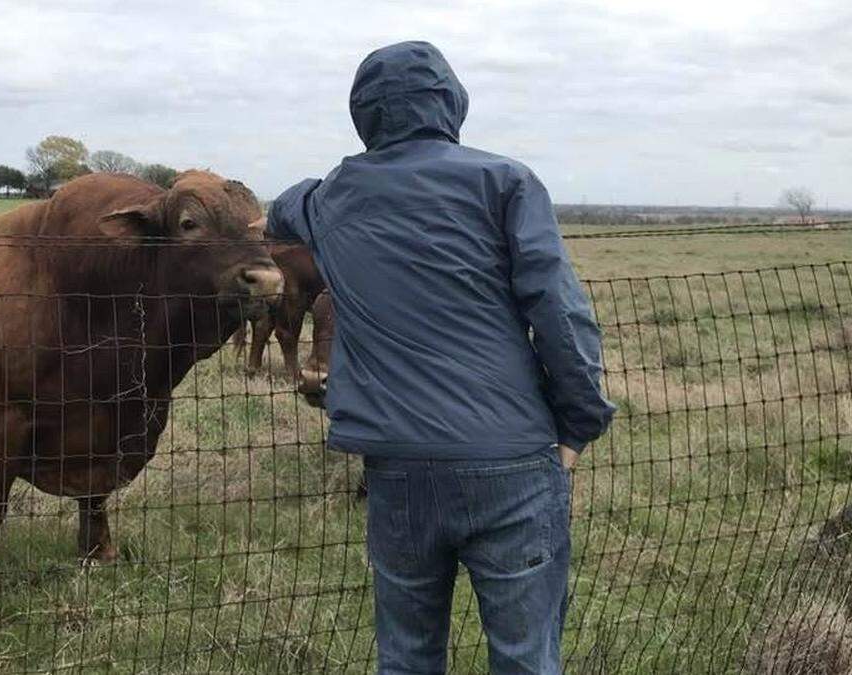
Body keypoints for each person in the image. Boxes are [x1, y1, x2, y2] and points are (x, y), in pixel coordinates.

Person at [261, 41, 615, 674]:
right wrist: (578, 424)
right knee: (526, 658)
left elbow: (280, 212)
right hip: (512, 460)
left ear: (361, 116)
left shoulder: (331, 198)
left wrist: (332, 185)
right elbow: (561, 316)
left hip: (396, 471)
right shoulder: (505, 182)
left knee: (407, 658)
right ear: (452, 105)